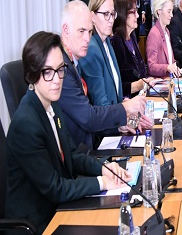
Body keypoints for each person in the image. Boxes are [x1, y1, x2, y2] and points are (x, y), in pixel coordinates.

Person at [5, 31, 130, 234]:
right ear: (32, 74)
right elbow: (55, 188)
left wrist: (104, 169)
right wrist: (102, 182)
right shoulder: (25, 124)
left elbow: (72, 154)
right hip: (38, 222)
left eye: (60, 69)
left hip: (59, 206)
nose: (57, 80)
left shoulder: (52, 103)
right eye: (48, 72)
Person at [58, 0, 147, 149]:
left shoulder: (74, 62)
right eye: (81, 31)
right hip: (82, 153)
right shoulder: (62, 69)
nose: (87, 38)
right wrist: (125, 108)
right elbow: (88, 117)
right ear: (66, 30)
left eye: (89, 32)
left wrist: (119, 124)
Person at [78, 0, 124, 107]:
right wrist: (123, 110)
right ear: (93, 16)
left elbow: (115, 91)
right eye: (106, 14)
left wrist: (125, 105)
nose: (111, 19)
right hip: (106, 116)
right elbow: (99, 101)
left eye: (112, 14)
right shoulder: (91, 48)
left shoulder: (107, 42)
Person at [111, 0, 153, 96]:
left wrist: (147, 81)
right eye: (133, 12)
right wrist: (139, 85)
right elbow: (116, 86)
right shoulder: (115, 42)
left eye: (137, 11)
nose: (137, 16)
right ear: (122, 14)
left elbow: (141, 72)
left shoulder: (132, 37)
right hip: (128, 101)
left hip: (142, 96)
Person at [147, 0, 182, 78]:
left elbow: (170, 60)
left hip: (170, 80)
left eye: (172, 11)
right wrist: (167, 67)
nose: (172, 15)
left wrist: (175, 68)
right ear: (159, 11)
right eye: (169, 12)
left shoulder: (167, 31)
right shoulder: (154, 34)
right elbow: (151, 67)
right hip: (161, 82)